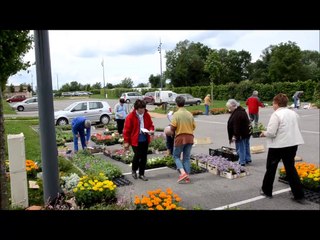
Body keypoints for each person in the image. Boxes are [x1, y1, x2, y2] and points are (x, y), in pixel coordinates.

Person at [260, 93, 306, 203]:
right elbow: (297, 128)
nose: (273, 105)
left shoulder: (276, 114)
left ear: (276, 103)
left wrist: (263, 133)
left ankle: (267, 191)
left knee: (271, 168)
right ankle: (298, 194)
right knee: (290, 169)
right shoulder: (293, 113)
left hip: (278, 145)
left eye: (273, 103)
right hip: (292, 144)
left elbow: (271, 132)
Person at [123, 99, 154, 181]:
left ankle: (141, 174)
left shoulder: (146, 115)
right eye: (140, 109)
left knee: (144, 157)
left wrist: (151, 130)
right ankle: (134, 170)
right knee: (137, 156)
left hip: (145, 138)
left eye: (143, 108)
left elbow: (151, 125)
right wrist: (126, 141)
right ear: (136, 108)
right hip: (135, 140)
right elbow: (126, 130)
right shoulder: (130, 117)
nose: (142, 110)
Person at [170, 95, 196, 184]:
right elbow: (194, 126)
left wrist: (170, 129)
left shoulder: (176, 114)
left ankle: (183, 173)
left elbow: (173, 128)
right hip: (190, 137)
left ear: (176, 104)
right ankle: (187, 177)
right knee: (186, 157)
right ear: (184, 103)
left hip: (180, 138)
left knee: (176, 156)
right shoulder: (189, 113)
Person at [226, 99, 252, 166]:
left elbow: (236, 127)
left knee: (241, 148)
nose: (229, 109)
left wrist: (235, 136)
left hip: (241, 134)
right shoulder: (242, 111)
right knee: (246, 145)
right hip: (246, 132)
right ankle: (247, 159)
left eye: (229, 108)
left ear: (233, 106)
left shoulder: (237, 114)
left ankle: (242, 161)